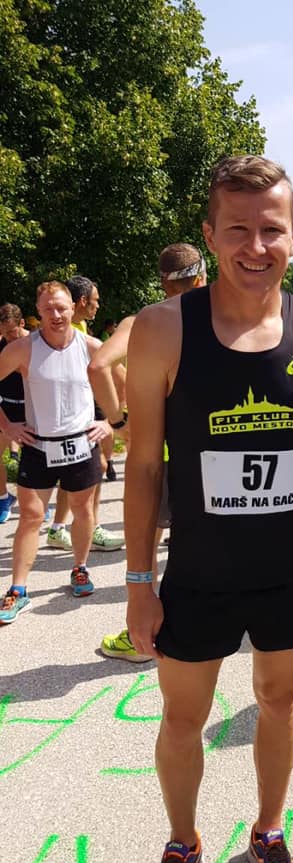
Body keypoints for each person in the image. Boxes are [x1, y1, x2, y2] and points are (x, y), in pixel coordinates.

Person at [124, 155, 293, 863]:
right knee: (183, 717)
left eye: (272, 230)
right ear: (211, 234)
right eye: (239, 230)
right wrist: (138, 582)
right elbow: (143, 466)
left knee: (278, 701)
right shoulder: (162, 328)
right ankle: (182, 843)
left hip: (287, 568)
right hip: (199, 572)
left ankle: (269, 833)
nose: (257, 246)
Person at [89, 242, 208, 663]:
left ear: (162, 282)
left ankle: (145, 635)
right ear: (202, 277)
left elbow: (98, 366)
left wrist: (120, 423)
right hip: (208, 453)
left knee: (148, 544)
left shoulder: (144, 321)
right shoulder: (224, 318)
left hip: (156, 453)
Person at [0, 281, 115, 623]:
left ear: (72, 308)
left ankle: (80, 568)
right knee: (31, 516)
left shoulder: (91, 346)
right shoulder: (23, 349)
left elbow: (124, 384)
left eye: (61, 307)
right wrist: (7, 426)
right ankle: (18, 589)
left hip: (81, 443)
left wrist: (109, 422)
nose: (56, 314)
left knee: (82, 511)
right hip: (39, 445)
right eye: (48, 308)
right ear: (38, 311)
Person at [46, 276, 124, 552]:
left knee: (76, 470)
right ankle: (90, 527)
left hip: (81, 408)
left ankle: (58, 528)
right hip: (78, 411)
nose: (98, 306)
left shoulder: (74, 328)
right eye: (95, 300)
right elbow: (109, 370)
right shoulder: (70, 330)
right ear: (81, 301)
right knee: (95, 467)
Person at [0, 304, 29, 522]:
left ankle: (34, 500)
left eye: (12, 332)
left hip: (31, 407)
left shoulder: (36, 342)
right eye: (4, 333)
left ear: (22, 323)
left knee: (33, 458)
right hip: (5, 406)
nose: (8, 338)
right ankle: (3, 498)